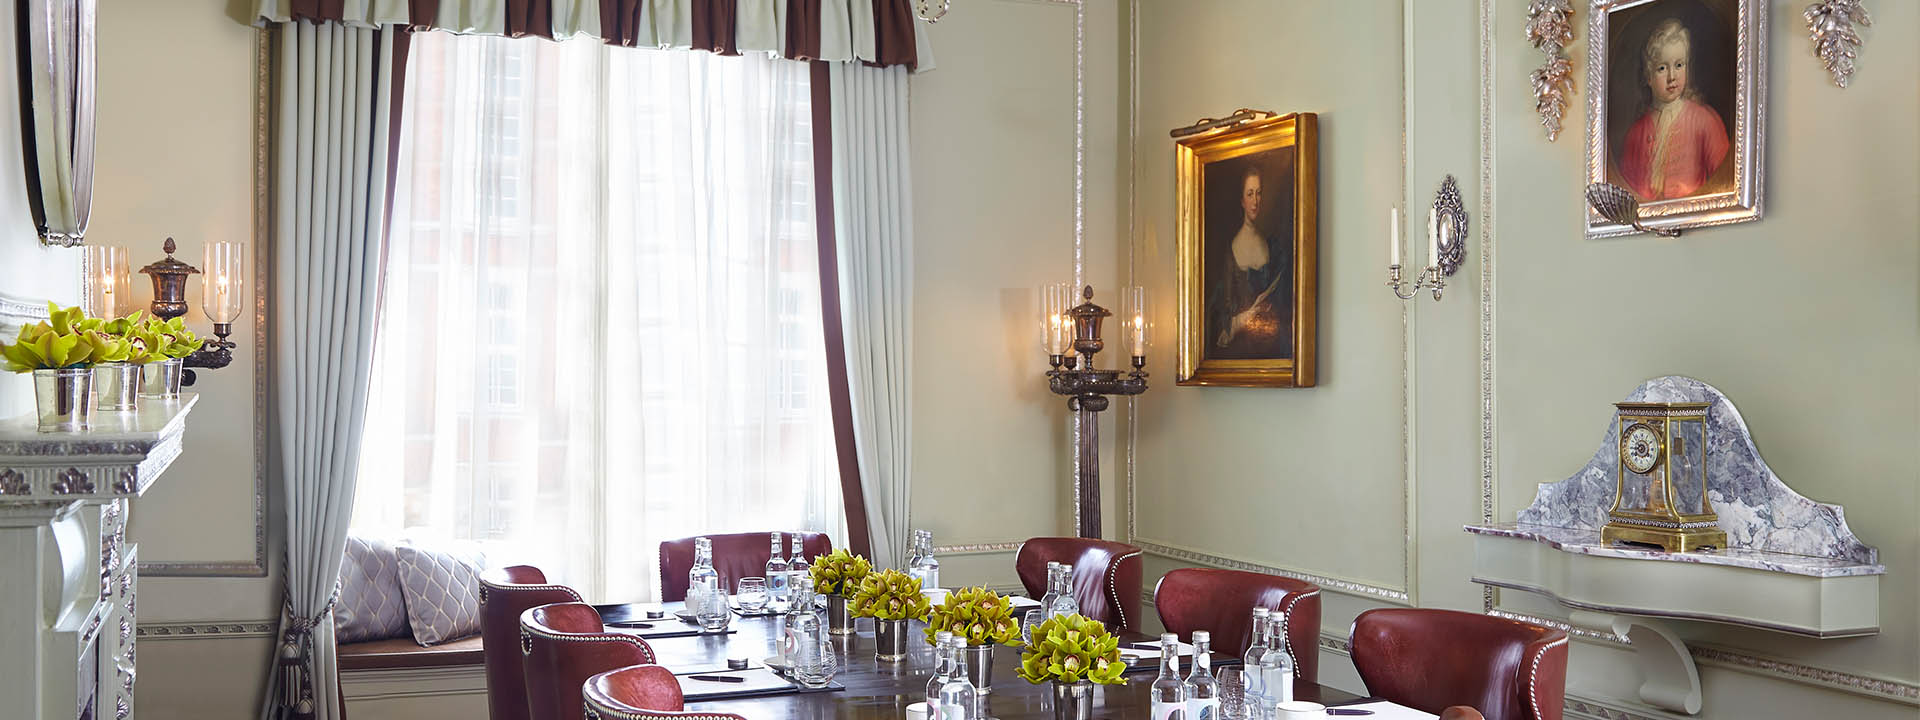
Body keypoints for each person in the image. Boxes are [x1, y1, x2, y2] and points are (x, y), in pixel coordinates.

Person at [1616, 17, 1730, 201]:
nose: (1672, 77)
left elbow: (1725, 181)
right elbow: (1626, 196)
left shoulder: (1704, 120)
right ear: (1648, 76)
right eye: (1662, 68)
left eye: (1679, 65)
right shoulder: (1635, 134)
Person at [1209, 164, 1287, 356]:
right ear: (1242, 201)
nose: (1255, 201)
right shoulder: (1233, 248)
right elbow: (1223, 315)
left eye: (1259, 193)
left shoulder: (1269, 243)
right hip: (1241, 348)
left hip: (1271, 348)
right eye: (1250, 194)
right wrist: (1245, 317)